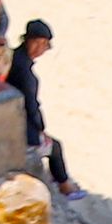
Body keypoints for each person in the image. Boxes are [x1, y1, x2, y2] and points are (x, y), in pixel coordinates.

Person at [8, 20, 72, 195]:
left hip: (12, 115)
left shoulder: (14, 57)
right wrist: (40, 127)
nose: (39, 48)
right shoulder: (25, 72)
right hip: (18, 124)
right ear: (27, 40)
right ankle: (66, 186)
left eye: (43, 44)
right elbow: (31, 105)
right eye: (36, 42)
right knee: (55, 147)